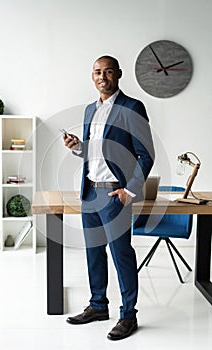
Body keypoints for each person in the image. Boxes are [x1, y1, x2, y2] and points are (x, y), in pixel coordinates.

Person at [63, 55, 155, 340]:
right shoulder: (91, 109)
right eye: (97, 72)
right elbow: (95, 151)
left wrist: (129, 190)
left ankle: (128, 315)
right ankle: (98, 305)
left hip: (115, 194)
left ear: (118, 74)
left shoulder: (132, 107)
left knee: (121, 254)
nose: (102, 77)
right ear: (92, 76)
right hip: (90, 191)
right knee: (93, 253)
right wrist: (78, 148)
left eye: (108, 72)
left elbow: (146, 153)